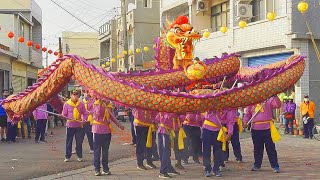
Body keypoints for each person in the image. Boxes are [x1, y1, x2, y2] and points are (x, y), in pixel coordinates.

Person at [244, 96, 281, 173]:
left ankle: (275, 165)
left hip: (267, 128)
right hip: (255, 128)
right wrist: (245, 122)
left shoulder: (268, 100)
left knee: (270, 148)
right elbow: (247, 114)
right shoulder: (251, 102)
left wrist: (275, 96)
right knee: (257, 148)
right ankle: (257, 165)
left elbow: (278, 105)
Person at [90, 97, 124, 176]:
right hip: (97, 130)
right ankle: (97, 169)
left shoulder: (109, 105)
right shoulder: (95, 104)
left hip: (107, 131)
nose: (106, 99)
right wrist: (100, 103)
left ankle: (105, 168)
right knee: (97, 151)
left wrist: (119, 125)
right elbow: (97, 113)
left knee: (105, 151)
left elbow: (112, 117)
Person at [201, 110, 233, 177]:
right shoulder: (210, 103)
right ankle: (207, 169)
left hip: (219, 131)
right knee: (206, 150)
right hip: (207, 129)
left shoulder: (228, 108)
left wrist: (230, 133)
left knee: (218, 151)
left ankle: (216, 169)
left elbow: (230, 121)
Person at [62, 90, 87, 162]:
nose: (75, 96)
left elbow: (85, 113)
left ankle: (79, 156)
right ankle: (67, 156)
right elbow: (64, 114)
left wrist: (84, 120)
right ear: (71, 95)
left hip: (79, 125)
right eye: (74, 94)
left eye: (76, 95)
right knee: (69, 141)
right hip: (70, 125)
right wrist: (63, 116)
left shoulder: (81, 104)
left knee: (79, 142)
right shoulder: (66, 104)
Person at [156, 112, 181, 178]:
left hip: (167, 132)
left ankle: (168, 168)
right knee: (164, 152)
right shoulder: (165, 111)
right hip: (163, 132)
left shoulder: (170, 111)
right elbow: (158, 119)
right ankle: (162, 171)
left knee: (167, 151)